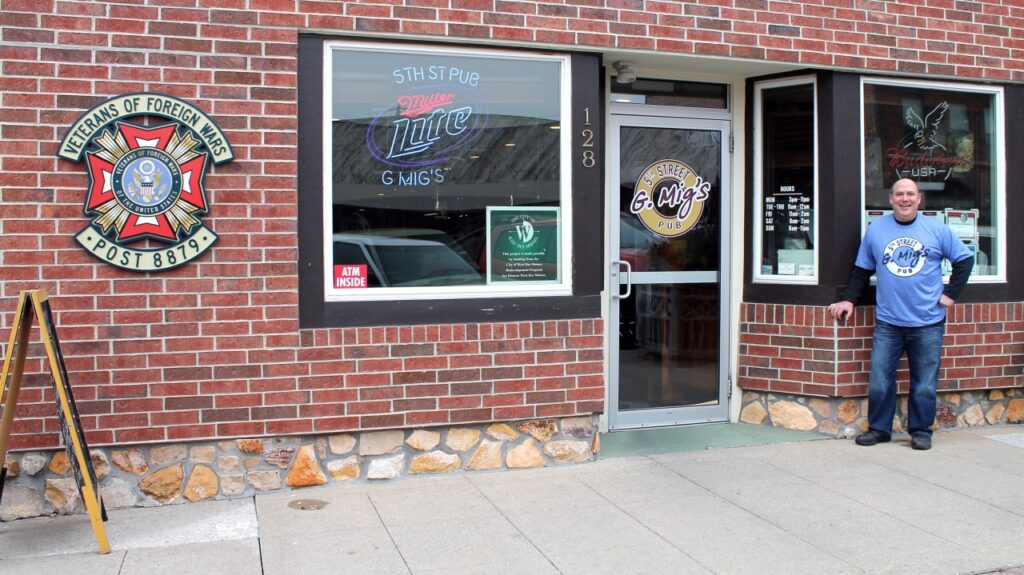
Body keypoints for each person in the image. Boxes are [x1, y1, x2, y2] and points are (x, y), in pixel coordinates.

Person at [828, 178, 973, 451]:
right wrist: (849, 300)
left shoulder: (936, 229)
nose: (904, 199)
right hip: (888, 321)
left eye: (910, 194)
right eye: (899, 194)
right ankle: (879, 430)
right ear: (891, 199)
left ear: (919, 199)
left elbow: (965, 260)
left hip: (928, 320)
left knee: (924, 382)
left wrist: (951, 294)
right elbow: (862, 270)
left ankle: (920, 431)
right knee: (881, 379)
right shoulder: (877, 230)